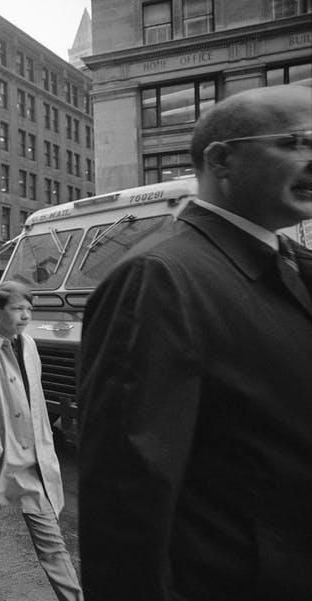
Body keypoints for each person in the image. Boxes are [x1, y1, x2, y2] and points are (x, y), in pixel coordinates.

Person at [77, 84, 312, 600]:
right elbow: (125, 496)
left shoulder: (291, 263)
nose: (310, 160)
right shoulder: (158, 277)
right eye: (295, 142)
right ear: (222, 160)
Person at [0, 281, 81, 601]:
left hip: (32, 462)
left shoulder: (30, 345)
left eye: (29, 310)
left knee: (51, 541)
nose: (25, 316)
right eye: (18, 309)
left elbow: (33, 399)